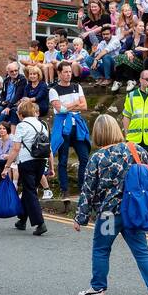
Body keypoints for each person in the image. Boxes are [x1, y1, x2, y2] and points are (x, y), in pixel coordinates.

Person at [74, 114, 148, 295]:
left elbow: (87, 190)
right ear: (116, 129)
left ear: (96, 134)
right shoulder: (132, 148)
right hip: (133, 212)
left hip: (108, 216)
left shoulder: (96, 158)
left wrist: (80, 217)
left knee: (101, 249)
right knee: (141, 250)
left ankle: (97, 290)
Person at [1, 99, 49, 237]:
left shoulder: (22, 126)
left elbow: (15, 149)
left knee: (30, 191)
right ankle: (22, 219)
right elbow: (47, 145)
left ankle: (40, 223)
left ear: (21, 113)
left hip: (27, 161)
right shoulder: (41, 125)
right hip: (41, 160)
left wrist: (7, 166)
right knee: (30, 190)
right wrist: (50, 166)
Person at [49, 61, 90, 198]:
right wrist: (75, 103)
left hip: (77, 125)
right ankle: (64, 189)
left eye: (70, 72)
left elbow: (84, 106)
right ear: (59, 73)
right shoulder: (54, 90)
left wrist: (68, 106)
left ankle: (82, 188)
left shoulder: (77, 86)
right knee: (63, 160)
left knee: (84, 157)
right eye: (65, 72)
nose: (68, 74)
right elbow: (60, 109)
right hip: (63, 126)